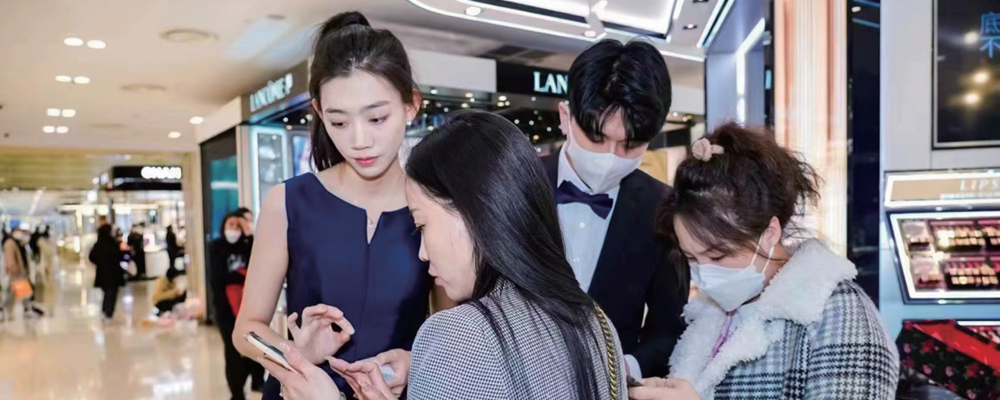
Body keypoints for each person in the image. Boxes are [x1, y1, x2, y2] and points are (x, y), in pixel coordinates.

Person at [261, 110, 628, 400]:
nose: (422, 253)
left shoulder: (457, 335)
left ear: (471, 213)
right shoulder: (594, 320)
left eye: (421, 225)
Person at [234, 12, 434, 399]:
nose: (359, 141)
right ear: (319, 112)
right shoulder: (288, 202)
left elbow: (448, 327)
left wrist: (415, 362)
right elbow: (247, 329)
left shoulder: (436, 205)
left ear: (411, 105)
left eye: (377, 118)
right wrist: (295, 355)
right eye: (339, 123)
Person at [628, 123, 898, 400]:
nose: (705, 274)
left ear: (769, 233)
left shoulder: (839, 315)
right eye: (692, 258)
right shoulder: (708, 318)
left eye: (719, 255)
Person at [541, 38, 686, 379]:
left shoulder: (662, 208)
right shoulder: (515, 184)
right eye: (597, 138)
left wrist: (624, 370)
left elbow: (670, 328)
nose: (611, 156)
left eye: (630, 145)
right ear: (566, 117)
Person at [210, 212, 263, 400]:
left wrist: (248, 234)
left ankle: (255, 380)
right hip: (225, 308)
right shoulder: (216, 247)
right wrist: (241, 275)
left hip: (247, 307)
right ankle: (237, 393)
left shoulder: (247, 246)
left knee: (252, 346)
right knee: (232, 350)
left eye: (237, 226)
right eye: (230, 224)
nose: (234, 229)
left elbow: (258, 267)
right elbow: (217, 278)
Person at [89, 224, 125, 323]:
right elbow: (119, 256)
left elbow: (91, 257)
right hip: (113, 273)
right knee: (111, 294)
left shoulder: (98, 244)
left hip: (102, 273)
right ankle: (108, 313)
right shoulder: (112, 243)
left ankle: (105, 312)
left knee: (107, 293)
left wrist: (100, 263)